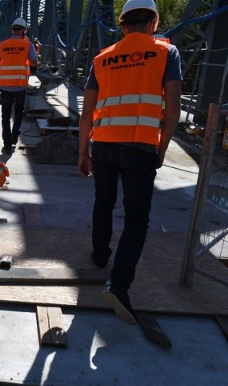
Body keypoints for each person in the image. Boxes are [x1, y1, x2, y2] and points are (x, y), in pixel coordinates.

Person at [77, 0, 182, 325]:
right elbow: (174, 108)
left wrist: (83, 152)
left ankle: (100, 257)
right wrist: (161, 148)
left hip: (105, 144)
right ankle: (119, 286)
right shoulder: (167, 52)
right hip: (140, 147)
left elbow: (87, 112)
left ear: (122, 26)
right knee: (137, 219)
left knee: (104, 202)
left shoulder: (103, 58)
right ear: (154, 22)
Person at [0, 17, 38, 154]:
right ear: (24, 30)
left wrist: (0, 76)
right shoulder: (28, 45)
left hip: (6, 86)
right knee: (18, 113)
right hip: (20, 86)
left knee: (5, 116)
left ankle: (7, 145)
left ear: (12, 29)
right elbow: (34, 63)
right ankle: (14, 138)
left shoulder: (2, 45)